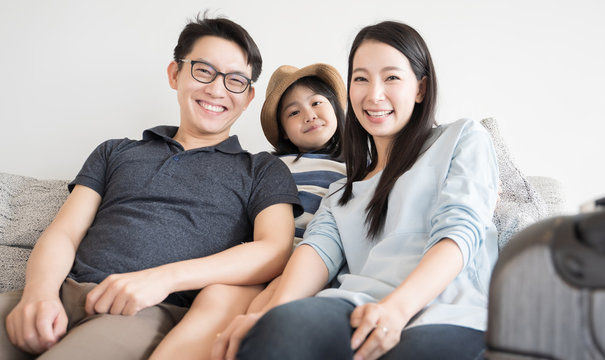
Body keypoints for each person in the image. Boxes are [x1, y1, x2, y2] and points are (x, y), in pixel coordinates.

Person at [0, 14, 302, 360]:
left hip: (148, 312)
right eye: (203, 70)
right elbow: (65, 232)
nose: (217, 89)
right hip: (60, 296)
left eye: (235, 80)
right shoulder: (116, 150)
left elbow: (275, 249)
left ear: (248, 98)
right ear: (175, 74)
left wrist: (161, 280)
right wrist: (39, 293)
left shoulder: (262, 168)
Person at [211, 20, 500, 360]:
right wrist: (267, 314)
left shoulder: (462, 138)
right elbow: (315, 253)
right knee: (275, 332)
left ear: (420, 88)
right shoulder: (340, 191)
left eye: (391, 77)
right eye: (361, 78)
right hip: (353, 306)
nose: (374, 95)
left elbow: (460, 231)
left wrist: (395, 311)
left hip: (449, 311)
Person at [150, 63, 347, 359]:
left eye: (317, 102)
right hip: (259, 258)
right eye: (293, 112)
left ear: (336, 108)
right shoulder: (267, 165)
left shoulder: (358, 166)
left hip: (309, 262)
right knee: (215, 297)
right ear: (283, 130)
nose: (308, 114)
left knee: (263, 311)